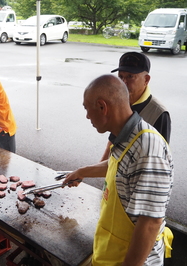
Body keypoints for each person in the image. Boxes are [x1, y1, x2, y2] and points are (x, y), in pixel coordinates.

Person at [63, 74, 174, 265]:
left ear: (102, 106)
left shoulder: (148, 149)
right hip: (111, 253)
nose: (87, 116)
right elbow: (117, 166)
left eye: (87, 109)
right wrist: (81, 172)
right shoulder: (126, 135)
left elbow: (150, 223)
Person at [100, 52, 171, 161]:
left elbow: (161, 160)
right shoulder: (120, 103)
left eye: (130, 76)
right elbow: (112, 145)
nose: (124, 82)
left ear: (146, 80)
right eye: (121, 76)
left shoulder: (158, 114)